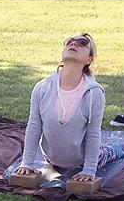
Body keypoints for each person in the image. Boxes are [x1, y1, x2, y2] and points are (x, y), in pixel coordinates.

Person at [13, 34, 118, 185]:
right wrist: (27, 163)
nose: (74, 44)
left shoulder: (94, 93)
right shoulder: (42, 88)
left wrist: (89, 170)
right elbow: (34, 126)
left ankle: (114, 149)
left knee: (109, 152)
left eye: (82, 43)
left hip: (80, 159)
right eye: (70, 41)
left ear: (89, 59)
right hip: (51, 158)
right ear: (62, 53)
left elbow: (93, 133)